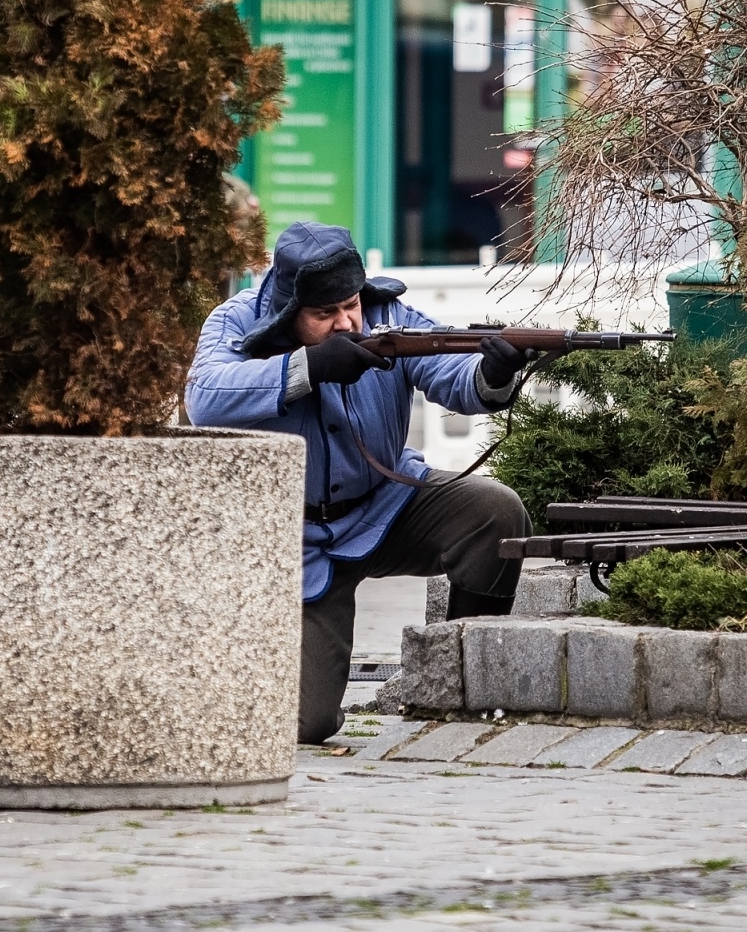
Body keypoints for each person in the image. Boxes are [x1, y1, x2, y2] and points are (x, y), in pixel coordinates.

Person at [185, 221, 534, 743]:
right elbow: (204, 399)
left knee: (495, 512)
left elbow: (455, 374)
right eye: (324, 314)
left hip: (383, 505)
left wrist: (496, 373)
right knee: (307, 724)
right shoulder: (237, 320)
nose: (347, 323)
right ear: (287, 310)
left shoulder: (387, 314)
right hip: (291, 542)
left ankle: (457, 682)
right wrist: (308, 367)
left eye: (351, 305)